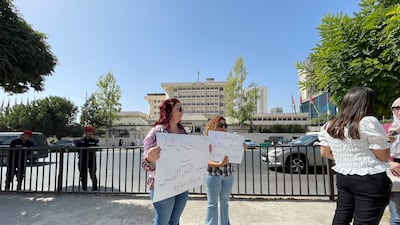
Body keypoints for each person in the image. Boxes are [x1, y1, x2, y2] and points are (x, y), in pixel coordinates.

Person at [318, 86, 392, 225]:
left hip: (344, 177)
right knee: (365, 221)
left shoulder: (330, 125)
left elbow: (325, 153)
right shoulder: (367, 122)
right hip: (370, 179)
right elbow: (383, 156)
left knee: (341, 216)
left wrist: (349, 157)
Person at [141, 98, 188, 225]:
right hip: (162, 185)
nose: (182, 111)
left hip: (182, 185)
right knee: (162, 222)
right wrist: (149, 159)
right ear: (169, 111)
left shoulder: (183, 132)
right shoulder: (157, 131)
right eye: (179, 108)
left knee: (175, 221)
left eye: (182, 108)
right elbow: (144, 162)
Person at [204, 115, 234, 225]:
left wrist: (242, 146)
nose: (224, 127)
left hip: (228, 174)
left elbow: (236, 151)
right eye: (221, 125)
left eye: (225, 125)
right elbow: (204, 160)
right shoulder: (207, 140)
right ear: (213, 125)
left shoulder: (229, 138)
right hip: (213, 175)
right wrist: (219, 164)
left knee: (224, 203)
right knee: (212, 203)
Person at [387, 97, 400, 225]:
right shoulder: (388, 128)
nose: (398, 111)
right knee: (396, 216)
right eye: (395, 108)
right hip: (395, 169)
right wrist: (389, 163)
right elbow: (377, 150)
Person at [76, 125, 98, 191]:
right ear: (85, 132)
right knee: (83, 175)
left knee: (93, 174)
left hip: (92, 160)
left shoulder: (94, 141)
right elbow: (77, 149)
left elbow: (97, 148)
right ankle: (84, 188)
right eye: (88, 131)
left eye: (91, 131)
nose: (90, 133)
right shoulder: (80, 141)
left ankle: (95, 188)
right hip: (83, 160)